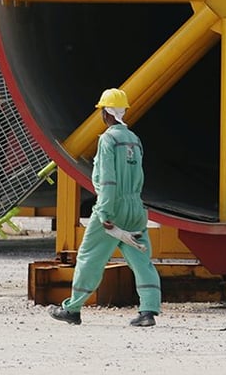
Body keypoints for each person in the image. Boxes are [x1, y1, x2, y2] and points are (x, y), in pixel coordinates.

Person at [50, 88, 162, 327]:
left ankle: (72, 309)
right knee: (142, 259)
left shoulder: (108, 139)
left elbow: (108, 179)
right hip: (135, 208)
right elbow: (139, 175)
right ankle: (149, 311)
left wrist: (105, 213)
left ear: (106, 113)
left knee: (89, 257)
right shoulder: (134, 139)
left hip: (113, 207)